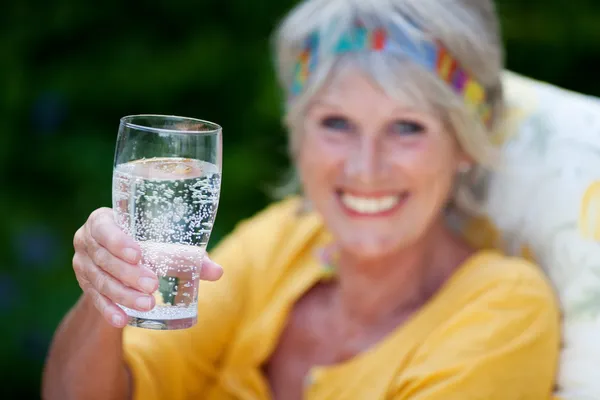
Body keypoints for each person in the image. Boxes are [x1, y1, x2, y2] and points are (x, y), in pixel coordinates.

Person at [42, 0, 563, 399]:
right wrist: (105, 294)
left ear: (467, 143)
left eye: (407, 127)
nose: (365, 168)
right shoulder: (281, 241)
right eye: (337, 123)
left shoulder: (506, 310)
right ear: (299, 133)